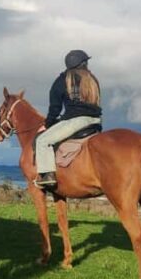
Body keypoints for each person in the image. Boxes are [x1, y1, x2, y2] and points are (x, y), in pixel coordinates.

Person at [34, 50, 102, 188]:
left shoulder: (62, 80)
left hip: (75, 121)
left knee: (42, 141)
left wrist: (47, 125)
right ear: (84, 64)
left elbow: (55, 108)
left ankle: (48, 175)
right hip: (95, 121)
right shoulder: (92, 80)